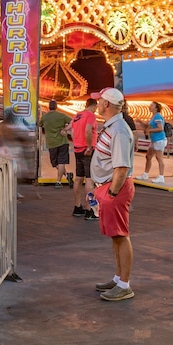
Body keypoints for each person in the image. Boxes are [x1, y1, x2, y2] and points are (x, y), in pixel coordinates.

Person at [89, 88, 136, 302]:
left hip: (114, 187)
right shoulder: (113, 127)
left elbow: (121, 167)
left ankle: (124, 284)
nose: (97, 104)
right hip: (110, 186)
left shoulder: (119, 130)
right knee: (116, 235)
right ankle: (118, 278)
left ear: (107, 104)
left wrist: (111, 193)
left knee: (121, 235)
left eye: (99, 101)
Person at [70, 98, 99, 218]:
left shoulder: (77, 115)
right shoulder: (90, 115)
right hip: (88, 150)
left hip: (77, 149)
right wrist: (88, 146)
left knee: (78, 179)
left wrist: (76, 143)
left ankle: (77, 207)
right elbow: (88, 130)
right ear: (94, 106)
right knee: (89, 179)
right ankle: (90, 210)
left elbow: (72, 132)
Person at [39, 100, 73, 188]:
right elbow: (73, 121)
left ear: (48, 107)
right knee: (61, 162)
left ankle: (59, 181)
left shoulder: (45, 117)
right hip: (63, 141)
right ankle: (66, 176)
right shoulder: (61, 116)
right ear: (56, 107)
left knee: (55, 163)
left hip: (51, 143)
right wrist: (65, 129)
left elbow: (39, 124)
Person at [136, 101, 166, 184]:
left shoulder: (158, 117)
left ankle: (161, 176)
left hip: (159, 140)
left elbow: (160, 128)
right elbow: (147, 126)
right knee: (148, 156)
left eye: (151, 105)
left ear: (156, 108)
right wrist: (140, 122)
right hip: (154, 140)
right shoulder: (153, 117)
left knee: (159, 158)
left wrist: (149, 130)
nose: (149, 106)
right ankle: (145, 174)